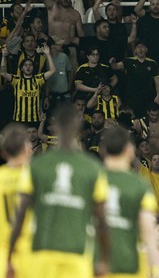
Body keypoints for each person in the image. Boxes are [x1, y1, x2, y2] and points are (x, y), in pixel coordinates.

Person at [6, 104, 111, 278]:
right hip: (77, 255)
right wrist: (104, 260)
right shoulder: (92, 168)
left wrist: (10, 255)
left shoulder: (37, 165)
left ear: (55, 126)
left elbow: (21, 214)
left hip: (42, 254)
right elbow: (102, 219)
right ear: (78, 126)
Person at [100, 126, 159, 278]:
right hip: (131, 267)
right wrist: (156, 269)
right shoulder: (139, 185)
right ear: (130, 150)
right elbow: (148, 231)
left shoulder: (92, 180)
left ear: (103, 150)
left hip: (98, 266)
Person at [0, 125, 32, 278]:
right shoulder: (36, 178)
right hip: (30, 253)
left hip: (3, 254)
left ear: (4, 152)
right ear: (28, 150)